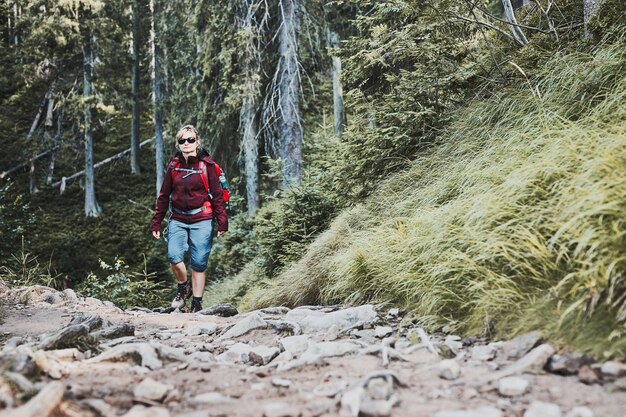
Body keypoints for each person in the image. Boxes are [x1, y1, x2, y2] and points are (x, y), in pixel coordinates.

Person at [150, 125, 228, 313]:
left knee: (199, 263)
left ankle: (197, 304)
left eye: (190, 140)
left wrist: (222, 221)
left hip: (202, 218)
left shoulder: (206, 166)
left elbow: (217, 195)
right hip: (178, 218)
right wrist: (157, 220)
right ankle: (183, 287)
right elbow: (164, 194)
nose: (187, 143)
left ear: (197, 142)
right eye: (182, 140)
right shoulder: (173, 166)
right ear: (178, 144)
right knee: (174, 257)